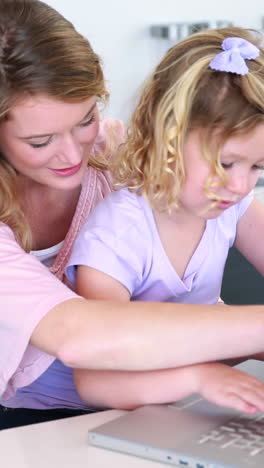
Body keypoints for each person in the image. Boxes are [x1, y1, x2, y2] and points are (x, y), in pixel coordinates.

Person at [1, 1, 264, 427]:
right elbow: (83, 340)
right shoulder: (117, 228)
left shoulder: (119, 156)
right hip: (41, 416)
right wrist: (211, 363)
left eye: (85, 119)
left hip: (156, 403)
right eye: (40, 141)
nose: (73, 154)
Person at [65, 28, 264, 412]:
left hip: (175, 403)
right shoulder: (117, 234)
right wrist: (199, 376)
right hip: (84, 415)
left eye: (257, 165)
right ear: (166, 139)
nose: (240, 185)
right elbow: (95, 381)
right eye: (225, 163)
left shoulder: (230, 204)